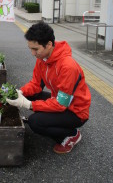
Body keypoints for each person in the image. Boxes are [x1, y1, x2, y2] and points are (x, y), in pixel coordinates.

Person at [6, 21, 91, 154]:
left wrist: (29, 105)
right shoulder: (43, 59)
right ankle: (52, 121)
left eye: (36, 49)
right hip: (59, 100)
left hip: (75, 111)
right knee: (28, 95)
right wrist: (20, 92)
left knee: (35, 122)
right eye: (30, 48)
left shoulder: (68, 66)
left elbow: (61, 104)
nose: (33, 53)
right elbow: (36, 84)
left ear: (49, 44)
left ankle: (71, 135)